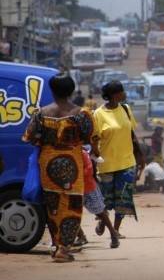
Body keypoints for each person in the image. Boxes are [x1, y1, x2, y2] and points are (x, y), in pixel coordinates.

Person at [22, 74, 94, 263]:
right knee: (72, 206)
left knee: (53, 206)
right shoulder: (82, 114)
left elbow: (30, 137)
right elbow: (89, 137)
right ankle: (64, 248)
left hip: (48, 164)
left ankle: (57, 246)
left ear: (52, 91)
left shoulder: (41, 113)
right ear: (71, 91)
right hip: (72, 165)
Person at [93, 81, 143, 238]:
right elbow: (94, 139)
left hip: (127, 161)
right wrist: (95, 158)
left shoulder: (126, 109)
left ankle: (115, 230)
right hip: (106, 164)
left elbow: (132, 135)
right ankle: (103, 221)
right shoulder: (98, 114)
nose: (124, 94)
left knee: (124, 197)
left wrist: (140, 155)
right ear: (115, 95)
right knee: (106, 199)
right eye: (122, 92)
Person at [74, 147, 120, 249]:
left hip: (88, 187)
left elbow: (89, 169)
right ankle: (81, 236)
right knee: (72, 214)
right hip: (74, 188)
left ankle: (113, 234)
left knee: (100, 212)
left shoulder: (82, 153)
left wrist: (75, 177)